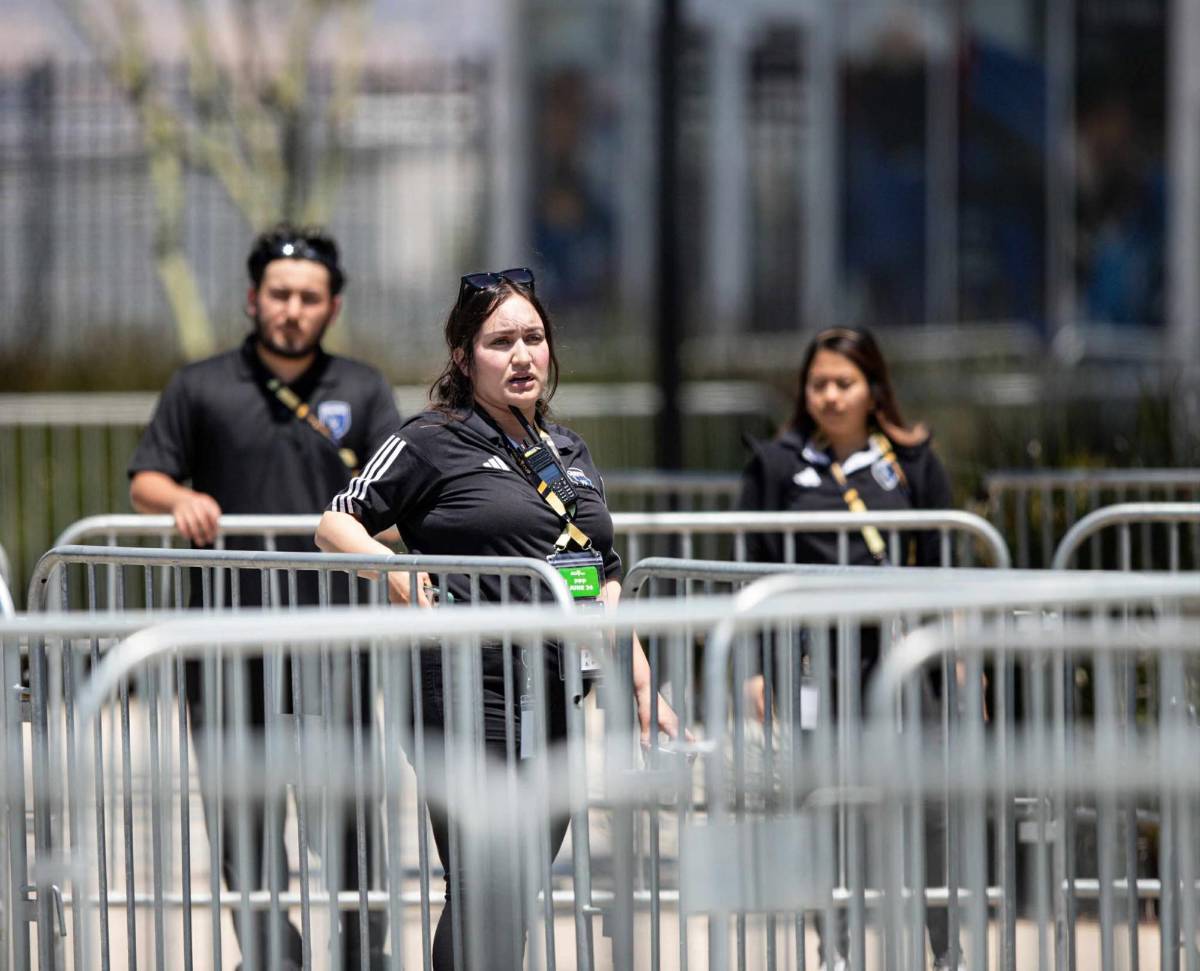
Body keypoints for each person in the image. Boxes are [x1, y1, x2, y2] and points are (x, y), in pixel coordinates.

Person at [315, 266, 682, 971]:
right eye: (500, 341)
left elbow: (602, 572)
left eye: (534, 338)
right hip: (463, 689)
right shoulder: (430, 438)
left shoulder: (570, 449)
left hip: (555, 691)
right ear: (463, 356)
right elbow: (336, 523)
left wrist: (641, 680)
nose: (522, 355)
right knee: (482, 882)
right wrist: (398, 575)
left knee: (514, 885)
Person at [128, 224, 401, 970]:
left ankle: (360, 950)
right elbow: (145, 479)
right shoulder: (200, 385)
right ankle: (269, 950)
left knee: (349, 811)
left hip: (336, 639)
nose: (292, 309)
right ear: (253, 298)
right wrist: (180, 498)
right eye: (279, 294)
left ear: (332, 306)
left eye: (309, 297)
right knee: (241, 812)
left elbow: (402, 494)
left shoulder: (364, 388)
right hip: (226, 641)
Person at [737, 326, 961, 971]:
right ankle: (834, 951)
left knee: (928, 809)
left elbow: (945, 566)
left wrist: (956, 663)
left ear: (873, 389)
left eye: (845, 383)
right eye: (819, 384)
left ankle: (945, 949)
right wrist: (756, 671)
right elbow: (752, 571)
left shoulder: (913, 462)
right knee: (826, 808)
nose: (831, 397)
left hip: (902, 659)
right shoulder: (776, 465)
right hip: (816, 666)